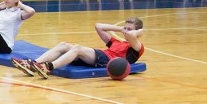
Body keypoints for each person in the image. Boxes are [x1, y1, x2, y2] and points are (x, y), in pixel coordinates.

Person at [12, 18, 144, 79]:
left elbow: (133, 36)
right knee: (63, 45)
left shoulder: (136, 47)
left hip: (107, 60)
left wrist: (138, 31)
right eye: (125, 28)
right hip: (98, 56)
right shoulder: (116, 41)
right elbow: (98, 26)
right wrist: (121, 28)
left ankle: (48, 68)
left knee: (77, 48)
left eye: (129, 29)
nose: (126, 31)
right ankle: (33, 64)